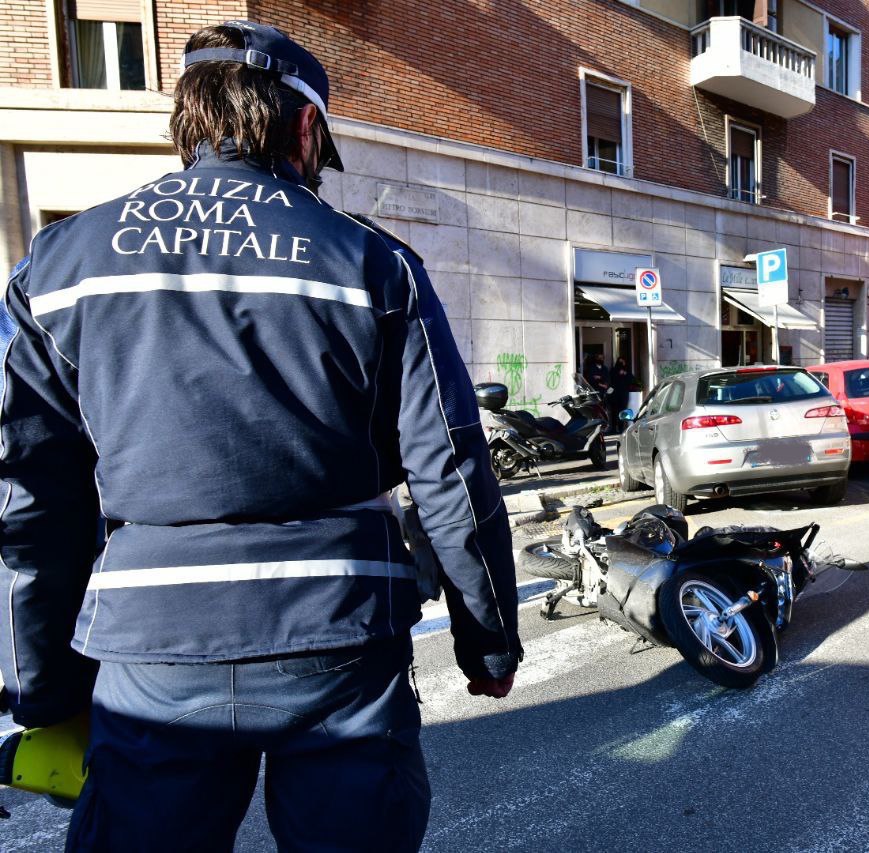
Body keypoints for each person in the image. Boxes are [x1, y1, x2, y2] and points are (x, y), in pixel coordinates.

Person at [0, 21, 520, 851]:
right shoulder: (375, 263)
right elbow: (450, 469)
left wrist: (39, 686)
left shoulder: (59, 265)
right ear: (307, 128)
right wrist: (487, 640)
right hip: (341, 634)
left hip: (153, 646)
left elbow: (29, 500)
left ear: (188, 119)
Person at [608, 357, 634, 431]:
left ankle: (621, 427)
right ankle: (613, 428)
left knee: (622, 411)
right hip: (615, 395)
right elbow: (611, 380)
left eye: (623, 363)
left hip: (623, 394)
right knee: (614, 411)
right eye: (620, 363)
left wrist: (625, 373)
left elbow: (631, 379)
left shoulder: (627, 371)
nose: (622, 364)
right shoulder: (613, 370)